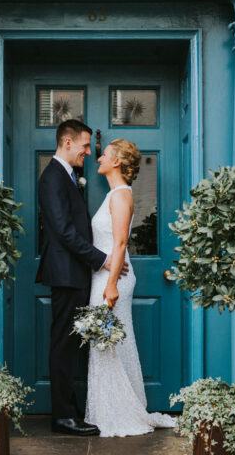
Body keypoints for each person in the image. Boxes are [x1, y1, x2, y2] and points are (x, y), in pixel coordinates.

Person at [36, 119, 128, 436]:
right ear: (68, 142)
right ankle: (63, 417)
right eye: (85, 146)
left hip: (75, 273)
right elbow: (63, 232)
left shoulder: (69, 176)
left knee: (69, 345)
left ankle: (70, 411)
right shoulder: (52, 178)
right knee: (63, 345)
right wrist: (102, 259)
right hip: (65, 274)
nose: (88, 152)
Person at [84, 139, 177, 437]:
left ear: (117, 162)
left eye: (105, 154)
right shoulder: (113, 194)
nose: (99, 157)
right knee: (107, 345)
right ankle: (106, 410)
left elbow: (121, 242)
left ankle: (122, 412)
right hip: (103, 277)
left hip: (114, 282)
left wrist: (110, 285)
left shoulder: (122, 195)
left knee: (112, 343)